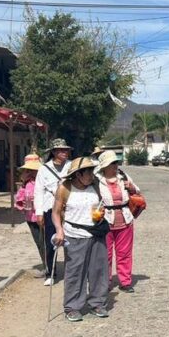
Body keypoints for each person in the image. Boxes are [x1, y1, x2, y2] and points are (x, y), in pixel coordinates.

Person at [52, 157, 110, 322]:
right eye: (88, 172)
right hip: (74, 235)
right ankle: (72, 306)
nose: (92, 175)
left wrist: (101, 212)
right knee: (75, 272)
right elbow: (55, 212)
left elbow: (101, 204)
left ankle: (97, 303)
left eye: (93, 171)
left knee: (99, 271)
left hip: (96, 233)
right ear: (78, 174)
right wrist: (59, 230)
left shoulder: (95, 185)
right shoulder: (65, 188)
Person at [96, 150, 140, 293]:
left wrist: (131, 187)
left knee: (124, 253)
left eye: (116, 163)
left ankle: (125, 281)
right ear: (104, 166)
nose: (115, 166)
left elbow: (136, 191)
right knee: (105, 254)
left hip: (125, 219)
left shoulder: (123, 176)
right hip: (105, 220)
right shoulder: (97, 180)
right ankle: (105, 281)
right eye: (112, 163)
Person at [34, 138, 73, 286]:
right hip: (50, 208)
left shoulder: (71, 166)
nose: (64, 152)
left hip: (70, 207)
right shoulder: (44, 169)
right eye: (61, 150)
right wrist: (39, 212)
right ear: (54, 152)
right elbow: (38, 191)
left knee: (71, 240)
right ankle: (50, 272)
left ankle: (72, 271)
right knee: (50, 241)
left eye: (66, 150)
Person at [14, 153, 46, 278]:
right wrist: (23, 183)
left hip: (42, 215)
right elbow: (20, 199)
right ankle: (46, 266)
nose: (31, 172)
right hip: (30, 216)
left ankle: (49, 268)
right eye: (29, 170)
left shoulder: (43, 180)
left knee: (44, 242)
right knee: (39, 243)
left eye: (33, 169)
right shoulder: (26, 183)